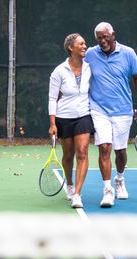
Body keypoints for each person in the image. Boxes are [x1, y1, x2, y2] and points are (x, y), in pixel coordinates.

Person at [85, 22, 137, 208]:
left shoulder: (128, 53)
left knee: (120, 151)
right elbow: (74, 64)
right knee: (104, 147)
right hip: (98, 109)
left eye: (105, 37)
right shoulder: (90, 54)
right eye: (99, 38)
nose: (102, 41)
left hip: (123, 110)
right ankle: (107, 190)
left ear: (113, 35)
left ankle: (119, 179)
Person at [48, 33, 94, 208]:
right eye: (81, 44)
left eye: (85, 44)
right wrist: (52, 123)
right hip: (63, 118)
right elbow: (52, 98)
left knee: (82, 152)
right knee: (68, 156)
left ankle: (77, 194)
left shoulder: (90, 67)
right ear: (70, 48)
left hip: (84, 115)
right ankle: (69, 184)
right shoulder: (59, 71)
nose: (84, 46)